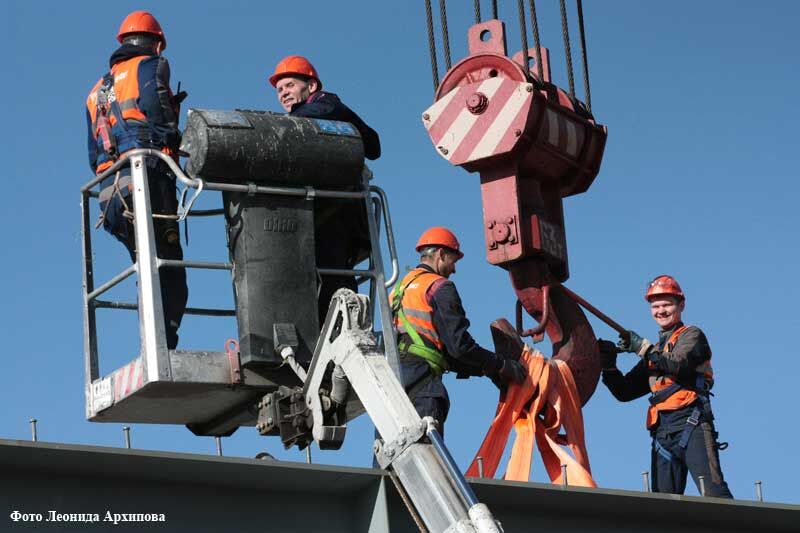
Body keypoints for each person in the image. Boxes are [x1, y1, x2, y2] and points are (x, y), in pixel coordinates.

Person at [85, 11, 188, 349]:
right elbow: (156, 109)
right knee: (170, 272)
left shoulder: (98, 90)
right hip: (148, 180)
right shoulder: (151, 65)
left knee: (147, 270)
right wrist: (174, 140)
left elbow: (92, 156)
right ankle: (163, 348)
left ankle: (152, 344)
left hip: (110, 194)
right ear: (156, 43)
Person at [268, 55, 381, 324]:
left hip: (337, 214)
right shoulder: (302, 119)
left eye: (290, 85)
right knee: (322, 279)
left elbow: (373, 145)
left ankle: (345, 327)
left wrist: (281, 124)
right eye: (280, 90)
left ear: (312, 86)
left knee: (334, 278)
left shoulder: (326, 105)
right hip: (316, 216)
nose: (284, 93)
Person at [599, 275, 732, 497]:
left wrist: (643, 349)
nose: (661, 310)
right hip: (662, 432)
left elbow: (678, 364)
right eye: (656, 306)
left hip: (692, 421)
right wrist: (609, 367)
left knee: (714, 495)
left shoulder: (692, 336)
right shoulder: (657, 351)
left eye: (667, 304)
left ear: (681, 305)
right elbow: (625, 391)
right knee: (663, 504)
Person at [391, 227, 526, 435]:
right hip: (422, 388)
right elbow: (459, 347)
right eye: (453, 261)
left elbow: (436, 349)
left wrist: (485, 369)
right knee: (429, 459)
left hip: (392, 386)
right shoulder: (439, 287)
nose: (454, 269)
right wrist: (501, 365)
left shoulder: (399, 289)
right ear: (441, 254)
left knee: (390, 454)